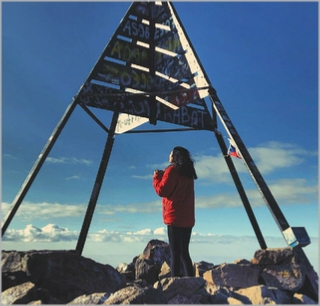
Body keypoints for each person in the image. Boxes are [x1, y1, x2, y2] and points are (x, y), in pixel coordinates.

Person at [152, 146, 197, 277]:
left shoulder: (172, 170)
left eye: (171, 153)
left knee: (175, 253)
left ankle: (175, 282)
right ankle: (191, 280)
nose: (169, 154)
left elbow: (162, 190)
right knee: (184, 252)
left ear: (174, 156)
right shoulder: (188, 173)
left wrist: (157, 177)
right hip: (187, 218)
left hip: (174, 217)